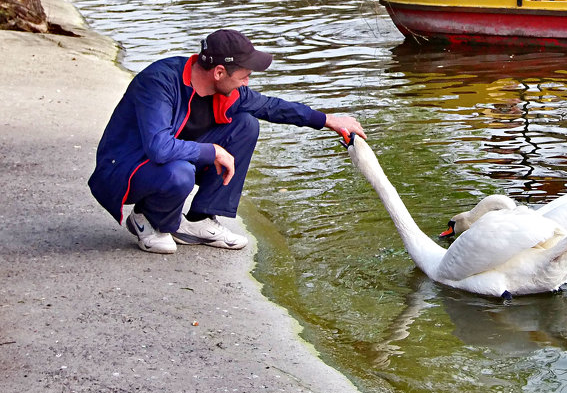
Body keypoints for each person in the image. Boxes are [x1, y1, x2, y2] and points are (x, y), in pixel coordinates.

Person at [89, 30, 365, 254]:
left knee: (246, 125)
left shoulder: (228, 90)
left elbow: (272, 107)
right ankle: (148, 220)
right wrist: (213, 151)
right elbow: (159, 148)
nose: (246, 83)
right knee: (180, 171)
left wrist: (327, 119)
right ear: (219, 73)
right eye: (244, 75)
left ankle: (200, 220)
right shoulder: (159, 82)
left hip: (169, 162)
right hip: (125, 170)